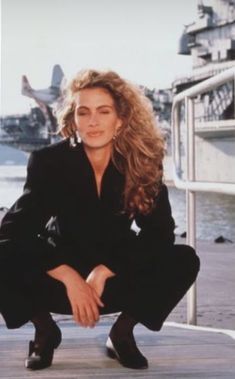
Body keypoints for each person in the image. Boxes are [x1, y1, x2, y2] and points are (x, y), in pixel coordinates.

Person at [0, 69, 200, 371]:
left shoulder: (142, 162)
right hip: (56, 277)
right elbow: (14, 231)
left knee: (184, 259)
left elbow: (159, 233)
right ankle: (44, 331)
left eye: (103, 111)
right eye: (84, 112)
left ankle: (121, 335)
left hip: (115, 277)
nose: (93, 121)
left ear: (120, 119)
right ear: (73, 119)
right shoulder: (49, 162)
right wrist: (67, 275)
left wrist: (105, 270)